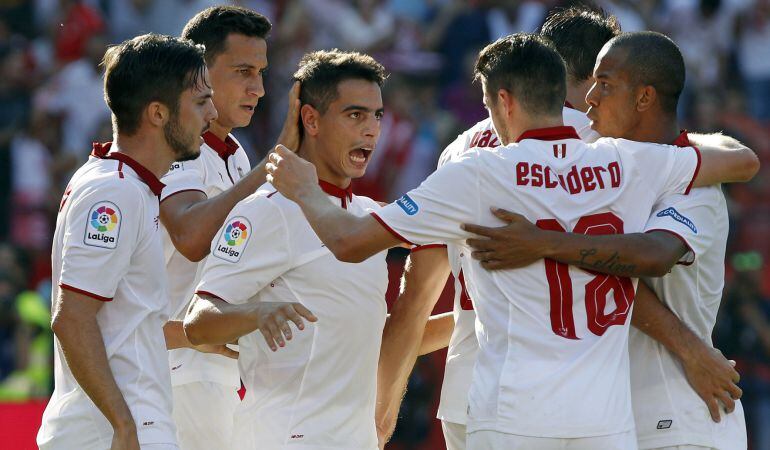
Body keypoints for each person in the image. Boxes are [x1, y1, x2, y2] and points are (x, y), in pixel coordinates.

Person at [265, 33, 758, 449]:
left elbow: (351, 243)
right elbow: (741, 161)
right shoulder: (626, 162)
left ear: (503, 101)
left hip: (511, 413)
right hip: (605, 420)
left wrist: (305, 189)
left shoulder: (475, 169)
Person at [463, 31, 748, 449]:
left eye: (607, 85)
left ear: (645, 98)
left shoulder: (694, 188)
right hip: (616, 418)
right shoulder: (598, 169)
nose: (590, 97)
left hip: (683, 413)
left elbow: (651, 257)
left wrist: (544, 241)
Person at [376, 6, 620, 448]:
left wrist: (384, 404)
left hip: (472, 391)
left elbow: (420, 288)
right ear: (601, 74)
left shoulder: (461, 148)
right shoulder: (610, 147)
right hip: (581, 399)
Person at [183, 49, 390, 449]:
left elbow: (374, 331)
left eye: (376, 115)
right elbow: (198, 321)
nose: (371, 130)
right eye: (355, 115)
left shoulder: (366, 220)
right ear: (310, 119)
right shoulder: (267, 211)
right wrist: (257, 314)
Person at [37, 33, 218, 450]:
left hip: (124, 424)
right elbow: (72, 318)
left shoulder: (122, 184)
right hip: (115, 430)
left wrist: (212, 332)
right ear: (157, 113)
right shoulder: (114, 193)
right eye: (200, 101)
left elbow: (127, 325)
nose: (211, 113)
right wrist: (123, 425)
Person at [158, 7, 300, 450]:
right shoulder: (175, 145)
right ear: (198, 72)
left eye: (260, 72)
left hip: (211, 365)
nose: (257, 88)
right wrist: (275, 161)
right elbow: (191, 237)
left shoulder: (234, 150)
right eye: (242, 71)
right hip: (174, 369)